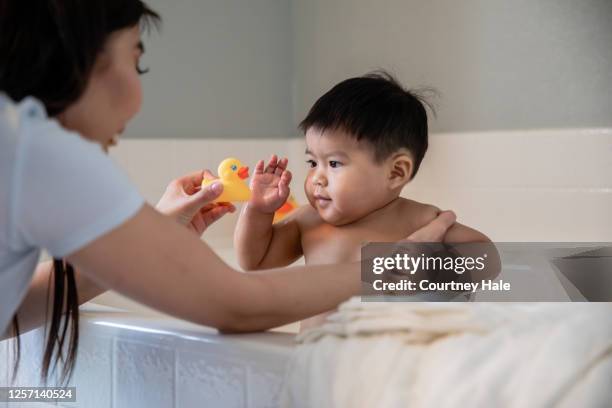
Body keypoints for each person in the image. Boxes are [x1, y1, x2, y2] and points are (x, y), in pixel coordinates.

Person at [0, 0, 456, 383]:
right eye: (136, 61)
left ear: (398, 171)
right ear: (76, 60)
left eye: (335, 163)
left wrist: (158, 232)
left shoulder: (16, 141)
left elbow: (11, 304)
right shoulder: (34, 150)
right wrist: (394, 266)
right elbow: (241, 291)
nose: (140, 95)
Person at [234, 72, 493, 330]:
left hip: (384, 358)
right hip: (318, 357)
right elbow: (256, 262)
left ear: (395, 172)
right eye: (313, 162)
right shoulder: (309, 221)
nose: (317, 178)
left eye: (334, 163)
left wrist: (432, 268)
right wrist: (258, 210)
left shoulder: (418, 221)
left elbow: (487, 259)